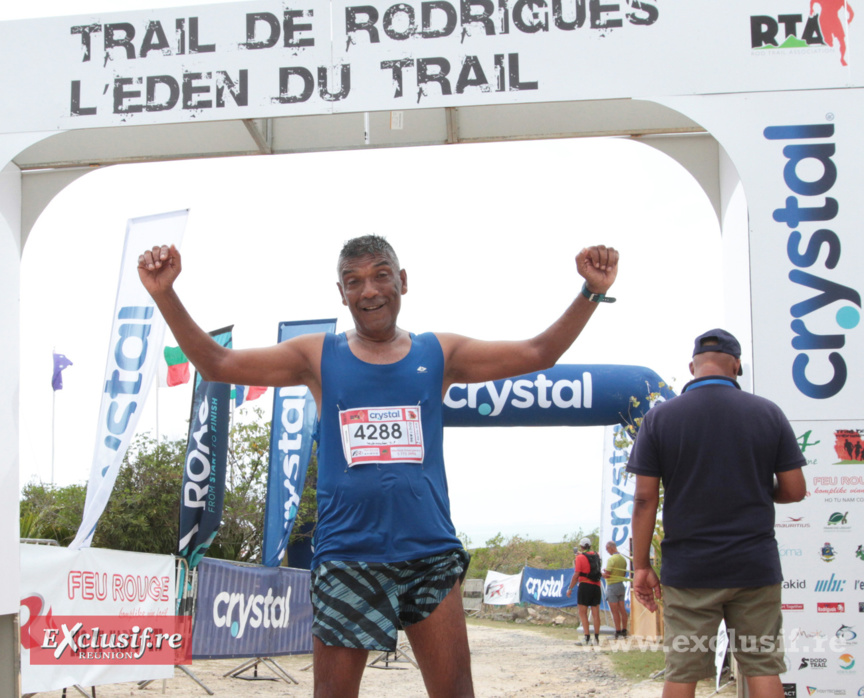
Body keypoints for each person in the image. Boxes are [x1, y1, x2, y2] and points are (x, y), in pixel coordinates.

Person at [138, 235, 619, 698]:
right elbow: (218, 363)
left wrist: (590, 292)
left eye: (380, 275)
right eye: (353, 280)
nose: (368, 290)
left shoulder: (439, 352)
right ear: (342, 293)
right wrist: (166, 294)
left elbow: (538, 353)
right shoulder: (317, 355)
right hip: (348, 556)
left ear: (403, 281)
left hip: (429, 553)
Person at [626, 329, 806, 698]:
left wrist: (641, 566)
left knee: (682, 672)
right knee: (762, 667)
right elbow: (794, 490)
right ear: (736, 366)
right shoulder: (768, 413)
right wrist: (756, 487)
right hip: (754, 566)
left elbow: (645, 500)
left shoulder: (659, 419)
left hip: (690, 569)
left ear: (692, 367)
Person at [565, 537, 601, 645]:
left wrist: (570, 588)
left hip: (585, 585)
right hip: (596, 585)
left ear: (581, 546)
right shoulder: (597, 555)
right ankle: (597, 638)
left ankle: (587, 637)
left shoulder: (580, 558)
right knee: (596, 613)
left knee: (583, 612)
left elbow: (576, 574)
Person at [602, 541, 629, 639]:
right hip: (621, 584)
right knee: (622, 609)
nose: (607, 551)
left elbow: (607, 575)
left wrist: (601, 573)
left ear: (611, 548)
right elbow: (623, 573)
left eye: (607, 549)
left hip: (612, 585)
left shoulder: (611, 559)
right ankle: (624, 630)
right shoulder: (623, 559)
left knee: (614, 611)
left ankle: (617, 630)